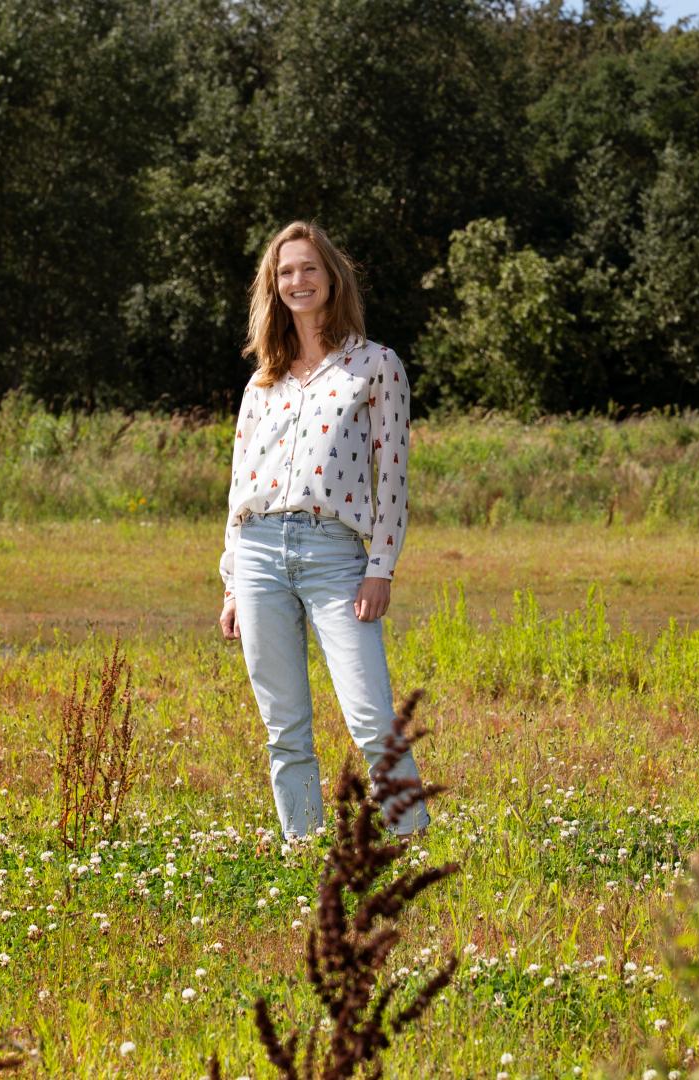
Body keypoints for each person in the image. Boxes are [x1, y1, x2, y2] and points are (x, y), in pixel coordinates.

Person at [216, 220, 429, 839]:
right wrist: (232, 581)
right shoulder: (264, 379)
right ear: (272, 285)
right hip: (257, 553)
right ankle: (304, 853)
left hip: (335, 554)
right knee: (284, 726)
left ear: (332, 277)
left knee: (370, 718)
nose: (297, 280)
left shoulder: (375, 366)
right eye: (285, 272)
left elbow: (392, 476)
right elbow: (238, 485)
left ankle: (411, 843)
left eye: (308, 268)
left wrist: (380, 566)